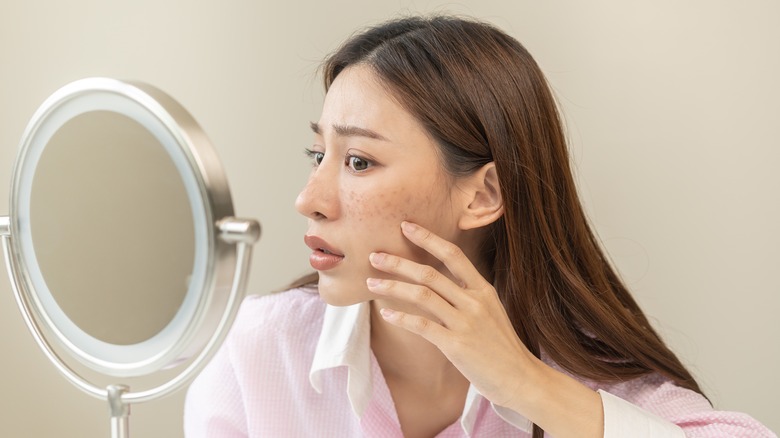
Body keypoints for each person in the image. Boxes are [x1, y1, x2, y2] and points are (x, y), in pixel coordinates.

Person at [184, 15, 775, 438]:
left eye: (359, 161)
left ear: (483, 195)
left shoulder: (580, 381)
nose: (308, 200)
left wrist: (527, 385)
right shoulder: (257, 350)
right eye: (319, 155)